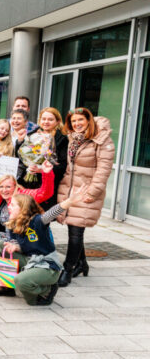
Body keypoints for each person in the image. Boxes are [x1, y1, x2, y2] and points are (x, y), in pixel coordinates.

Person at [0, 186, 89, 304]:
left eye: (13, 205)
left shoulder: (37, 221)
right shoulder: (12, 224)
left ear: (23, 209)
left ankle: (47, 291)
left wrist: (69, 201)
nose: (9, 207)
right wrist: (16, 246)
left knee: (24, 288)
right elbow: (18, 243)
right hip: (30, 260)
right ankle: (5, 287)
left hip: (46, 266)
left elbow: (50, 214)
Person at [57, 108, 114, 286]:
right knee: (74, 228)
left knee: (76, 230)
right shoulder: (73, 139)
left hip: (87, 191)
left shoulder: (101, 141)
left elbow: (103, 170)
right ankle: (82, 264)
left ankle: (67, 269)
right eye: (73, 121)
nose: (77, 124)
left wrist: (92, 192)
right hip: (71, 190)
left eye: (80, 120)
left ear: (89, 120)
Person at [0, 160, 54, 261]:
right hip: (7, 235)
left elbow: (45, 193)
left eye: (8, 187)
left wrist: (47, 173)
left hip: (23, 237)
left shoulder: (23, 196)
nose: (4, 190)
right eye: (1, 187)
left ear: (15, 187)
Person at [20, 107, 68, 210]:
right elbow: (22, 156)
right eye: (43, 119)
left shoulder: (61, 139)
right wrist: (29, 167)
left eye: (50, 119)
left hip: (46, 185)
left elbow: (63, 165)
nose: (46, 122)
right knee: (25, 215)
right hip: (28, 183)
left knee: (42, 218)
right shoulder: (32, 135)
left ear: (57, 121)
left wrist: (42, 170)